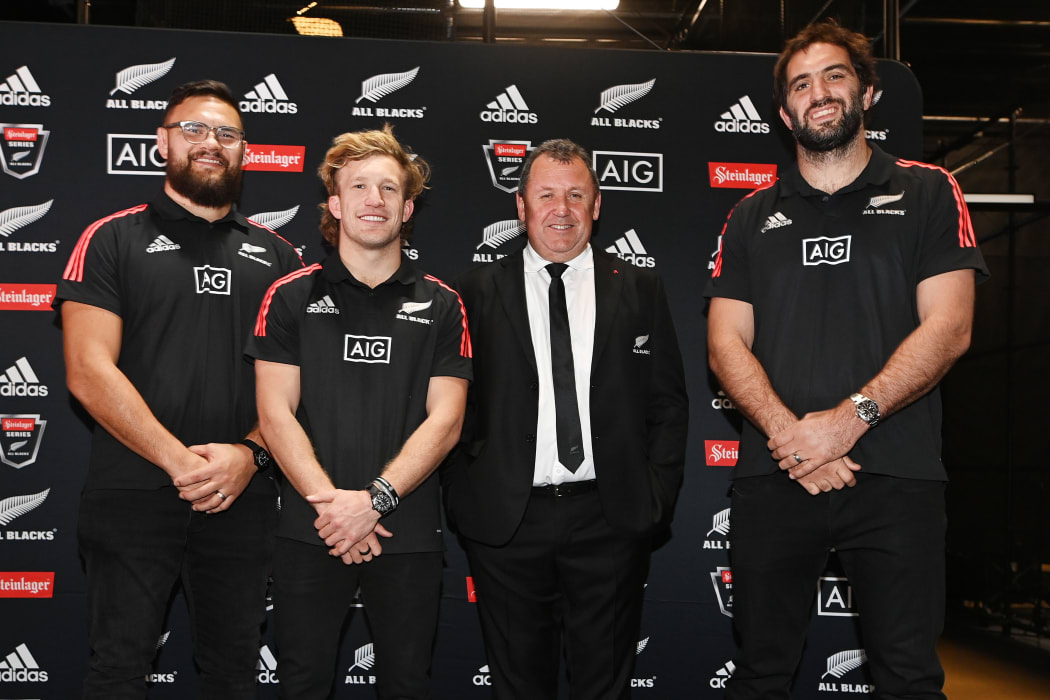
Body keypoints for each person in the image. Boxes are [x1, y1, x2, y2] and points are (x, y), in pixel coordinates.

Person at [705, 19, 988, 700]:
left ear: (867, 91)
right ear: (784, 113)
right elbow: (723, 342)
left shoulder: (928, 191)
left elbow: (950, 328)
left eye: (835, 75)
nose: (819, 92)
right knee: (761, 674)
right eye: (801, 84)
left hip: (897, 476)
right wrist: (793, 438)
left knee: (909, 676)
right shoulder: (749, 217)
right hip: (778, 476)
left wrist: (847, 422)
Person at [56, 80, 303, 699]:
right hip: (133, 491)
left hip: (241, 494)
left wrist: (248, 456)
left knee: (233, 675)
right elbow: (87, 370)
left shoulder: (280, 258)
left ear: (245, 151)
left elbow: (302, 386)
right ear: (162, 141)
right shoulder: (111, 238)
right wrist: (178, 462)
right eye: (193, 129)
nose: (210, 144)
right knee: (117, 672)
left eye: (227, 134)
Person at [446, 138, 688, 699]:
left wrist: (655, 496)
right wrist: (465, 494)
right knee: (517, 687)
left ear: (597, 205)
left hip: (611, 518)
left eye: (576, 194)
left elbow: (668, 404)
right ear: (521, 206)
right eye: (546, 194)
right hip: (506, 524)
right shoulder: (476, 290)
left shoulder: (640, 286)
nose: (562, 209)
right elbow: (456, 406)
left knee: (605, 686)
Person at [248, 125, 471, 700]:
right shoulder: (290, 295)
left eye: (389, 189)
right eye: (360, 187)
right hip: (311, 527)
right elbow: (275, 416)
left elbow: (445, 421)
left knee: (406, 685)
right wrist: (335, 509)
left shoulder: (443, 304)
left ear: (408, 206)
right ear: (334, 203)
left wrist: (372, 503)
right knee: (301, 683)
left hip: (408, 529)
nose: (374, 200)